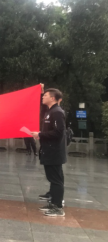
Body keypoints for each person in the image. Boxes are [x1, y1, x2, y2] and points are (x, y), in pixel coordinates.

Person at [32, 88, 67, 217]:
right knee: (53, 178)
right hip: (49, 150)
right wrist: (40, 135)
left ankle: (57, 207)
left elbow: (59, 132)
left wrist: (41, 134)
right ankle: (53, 202)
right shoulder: (50, 111)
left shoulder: (57, 112)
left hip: (54, 152)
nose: (43, 97)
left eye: (45, 95)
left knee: (56, 179)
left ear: (52, 98)